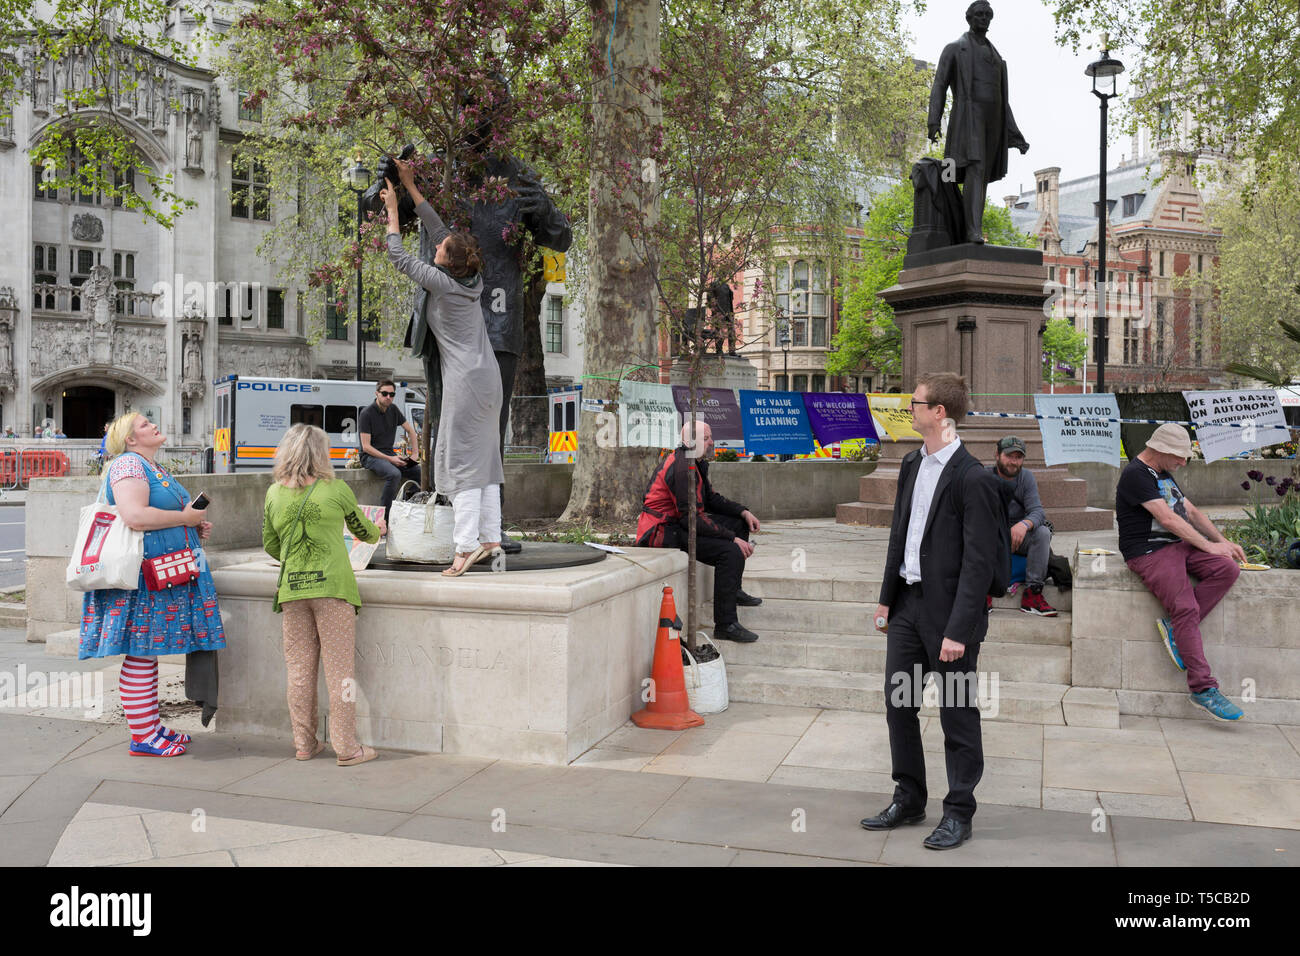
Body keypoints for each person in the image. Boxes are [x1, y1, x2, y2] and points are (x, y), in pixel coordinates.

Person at [861, 372, 1001, 850]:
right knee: (899, 703)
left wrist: (959, 629)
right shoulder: (910, 465)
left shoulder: (973, 478)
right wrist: (886, 598)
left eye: (916, 403)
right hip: (907, 607)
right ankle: (910, 796)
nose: (910, 408)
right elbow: (898, 537)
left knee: (957, 712)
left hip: (951, 619)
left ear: (939, 413)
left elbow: (980, 563)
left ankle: (959, 811)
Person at [78, 412, 225, 756]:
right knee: (141, 653)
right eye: (145, 424)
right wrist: (184, 518)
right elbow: (135, 516)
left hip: (158, 572)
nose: (154, 425)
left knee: (146, 652)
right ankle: (143, 736)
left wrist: (191, 528)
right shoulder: (128, 465)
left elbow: (157, 515)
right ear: (130, 438)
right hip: (143, 577)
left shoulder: (147, 465)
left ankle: (150, 727)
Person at [382, 160, 504, 577]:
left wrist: (394, 210)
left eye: (439, 250)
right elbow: (438, 229)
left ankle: (464, 548)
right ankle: (491, 536)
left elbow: (398, 256)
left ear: (447, 262)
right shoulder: (472, 278)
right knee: (484, 460)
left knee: (465, 466)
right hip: (489, 381)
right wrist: (412, 187)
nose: (434, 247)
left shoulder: (442, 282)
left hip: (467, 384)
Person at [263, 424, 386, 765]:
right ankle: (347, 748)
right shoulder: (336, 489)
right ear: (321, 452)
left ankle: (304, 743)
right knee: (340, 672)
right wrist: (380, 529)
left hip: (292, 591)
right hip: (332, 589)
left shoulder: (274, 493)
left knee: (299, 671)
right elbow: (367, 532)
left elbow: (270, 544)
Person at [1116, 423, 1246, 721]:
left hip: (1178, 547)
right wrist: (1209, 546)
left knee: (1227, 568)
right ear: (1160, 449)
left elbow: (1191, 512)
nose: (1184, 462)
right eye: (1179, 456)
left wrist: (1221, 542)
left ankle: (1176, 630)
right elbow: (1167, 519)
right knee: (1185, 607)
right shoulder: (1136, 474)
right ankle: (1202, 688)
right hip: (1150, 552)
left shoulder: (1162, 471)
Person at [635, 421, 763, 643]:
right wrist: (731, 539)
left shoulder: (695, 461)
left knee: (738, 523)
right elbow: (690, 519)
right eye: (706, 438)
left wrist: (743, 512)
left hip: (678, 525)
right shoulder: (684, 468)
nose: (712, 442)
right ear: (690, 442)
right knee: (730, 551)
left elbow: (711, 499)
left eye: (709, 437)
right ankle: (725, 625)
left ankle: (734, 591)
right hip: (661, 532)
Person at [927, 1, 1029, 243]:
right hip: (967, 120)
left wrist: (1015, 134)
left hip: (993, 122)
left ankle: (971, 227)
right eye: (979, 14)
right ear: (969, 18)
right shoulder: (954, 48)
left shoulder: (997, 57)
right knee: (967, 171)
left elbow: (1003, 100)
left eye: (987, 15)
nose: (984, 18)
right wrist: (933, 121)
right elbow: (939, 85)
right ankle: (969, 230)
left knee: (981, 176)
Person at [987, 435, 1057, 616]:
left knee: (1042, 532)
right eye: (1009, 456)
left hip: (1018, 538)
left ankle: (1032, 594)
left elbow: (1038, 511)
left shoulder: (1026, 478)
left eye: (1018, 457)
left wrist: (1024, 524)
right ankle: (982, 592)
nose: (1014, 462)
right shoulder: (984, 476)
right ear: (997, 455)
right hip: (992, 538)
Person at [358, 380, 421, 522]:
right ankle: (384, 520)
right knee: (394, 474)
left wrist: (415, 454)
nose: (388, 397)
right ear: (377, 393)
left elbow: (411, 431)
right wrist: (390, 459)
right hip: (369, 456)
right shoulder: (366, 413)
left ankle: (409, 506)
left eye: (391, 394)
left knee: (418, 471)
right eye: (384, 394)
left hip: (389, 454)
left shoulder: (393, 409)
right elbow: (366, 447)